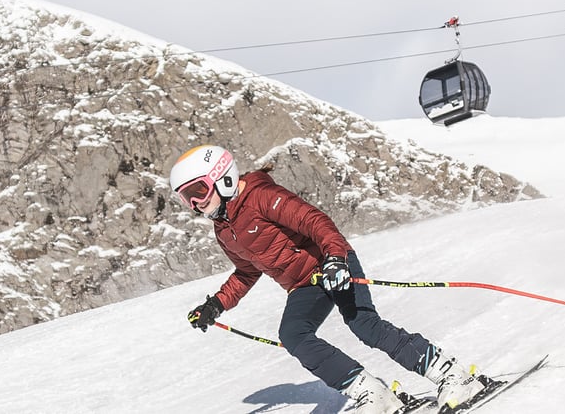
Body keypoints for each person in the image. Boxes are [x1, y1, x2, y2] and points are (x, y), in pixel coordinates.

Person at [172, 145, 483, 413]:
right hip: (304, 286)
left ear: (222, 176)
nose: (195, 204)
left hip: (332, 262)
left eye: (197, 192)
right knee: (293, 335)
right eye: (186, 199)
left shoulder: (261, 196)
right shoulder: (224, 229)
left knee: (364, 325)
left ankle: (454, 376)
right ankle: (374, 394)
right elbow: (246, 272)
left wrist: (335, 259)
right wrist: (215, 305)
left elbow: (314, 221)